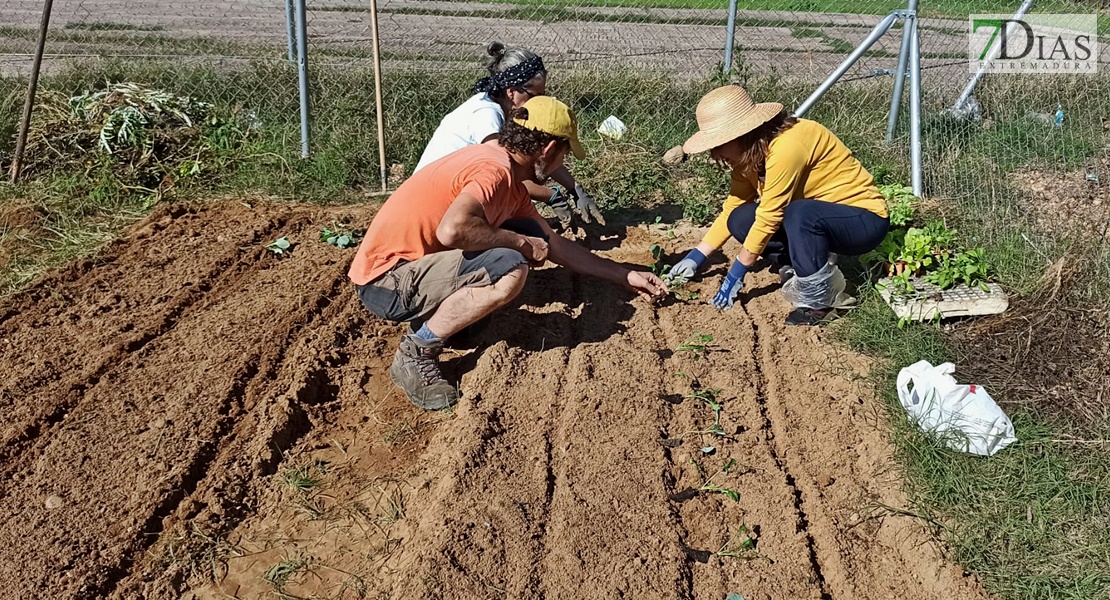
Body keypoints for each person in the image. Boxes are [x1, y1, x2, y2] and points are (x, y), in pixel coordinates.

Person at [350, 96, 666, 409]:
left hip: (408, 270)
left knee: (522, 237)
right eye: (565, 154)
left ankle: (450, 324)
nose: (562, 165)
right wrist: (522, 244)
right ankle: (416, 351)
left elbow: (554, 245)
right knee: (510, 264)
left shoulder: (508, 177)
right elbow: (453, 229)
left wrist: (624, 275)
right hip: (387, 282)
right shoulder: (494, 171)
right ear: (548, 150)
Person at [668, 85, 889, 326]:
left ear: (741, 135)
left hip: (862, 221)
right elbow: (733, 207)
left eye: (718, 144)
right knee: (740, 219)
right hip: (816, 219)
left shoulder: (787, 146)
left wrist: (736, 273)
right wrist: (696, 256)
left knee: (799, 212)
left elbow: (771, 214)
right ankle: (799, 266)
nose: (714, 154)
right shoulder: (748, 157)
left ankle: (819, 303)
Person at [414, 41, 605, 229]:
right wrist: (550, 195)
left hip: (456, 192)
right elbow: (505, 175)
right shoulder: (486, 115)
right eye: (534, 96)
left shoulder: (511, 110)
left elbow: (541, 153)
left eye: (543, 94)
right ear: (512, 92)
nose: (540, 102)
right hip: (435, 205)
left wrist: (576, 189)